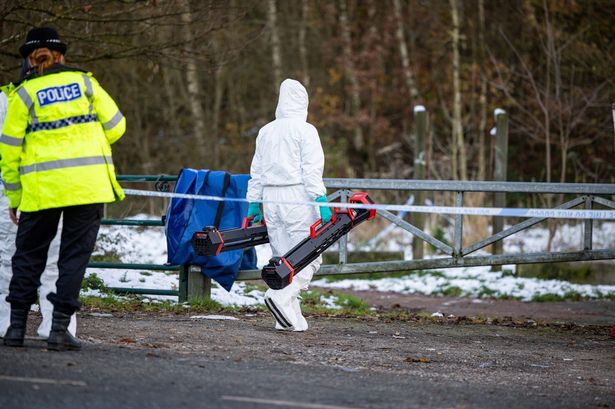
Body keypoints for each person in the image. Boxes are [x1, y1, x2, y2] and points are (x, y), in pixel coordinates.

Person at [1, 27, 126, 350]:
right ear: (62, 55)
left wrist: (15, 196)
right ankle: (58, 330)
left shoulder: (23, 94)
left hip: (41, 190)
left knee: (28, 256)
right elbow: (116, 126)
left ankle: (15, 329)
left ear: (29, 59)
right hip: (88, 187)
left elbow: (9, 151)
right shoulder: (85, 83)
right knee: (73, 259)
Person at [246, 78, 331, 332]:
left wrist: (253, 205)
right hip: (297, 198)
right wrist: (321, 202)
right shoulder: (306, 131)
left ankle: (287, 319)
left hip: (271, 200)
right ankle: (280, 297)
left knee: (282, 258)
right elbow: (311, 172)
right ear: (303, 102)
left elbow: (256, 172)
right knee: (310, 256)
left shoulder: (266, 131)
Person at [0, 61, 77, 340]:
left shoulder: (10, 99)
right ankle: (55, 326)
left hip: (25, 190)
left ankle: (13, 325)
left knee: (16, 258)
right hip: (52, 189)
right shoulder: (68, 95)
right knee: (50, 260)